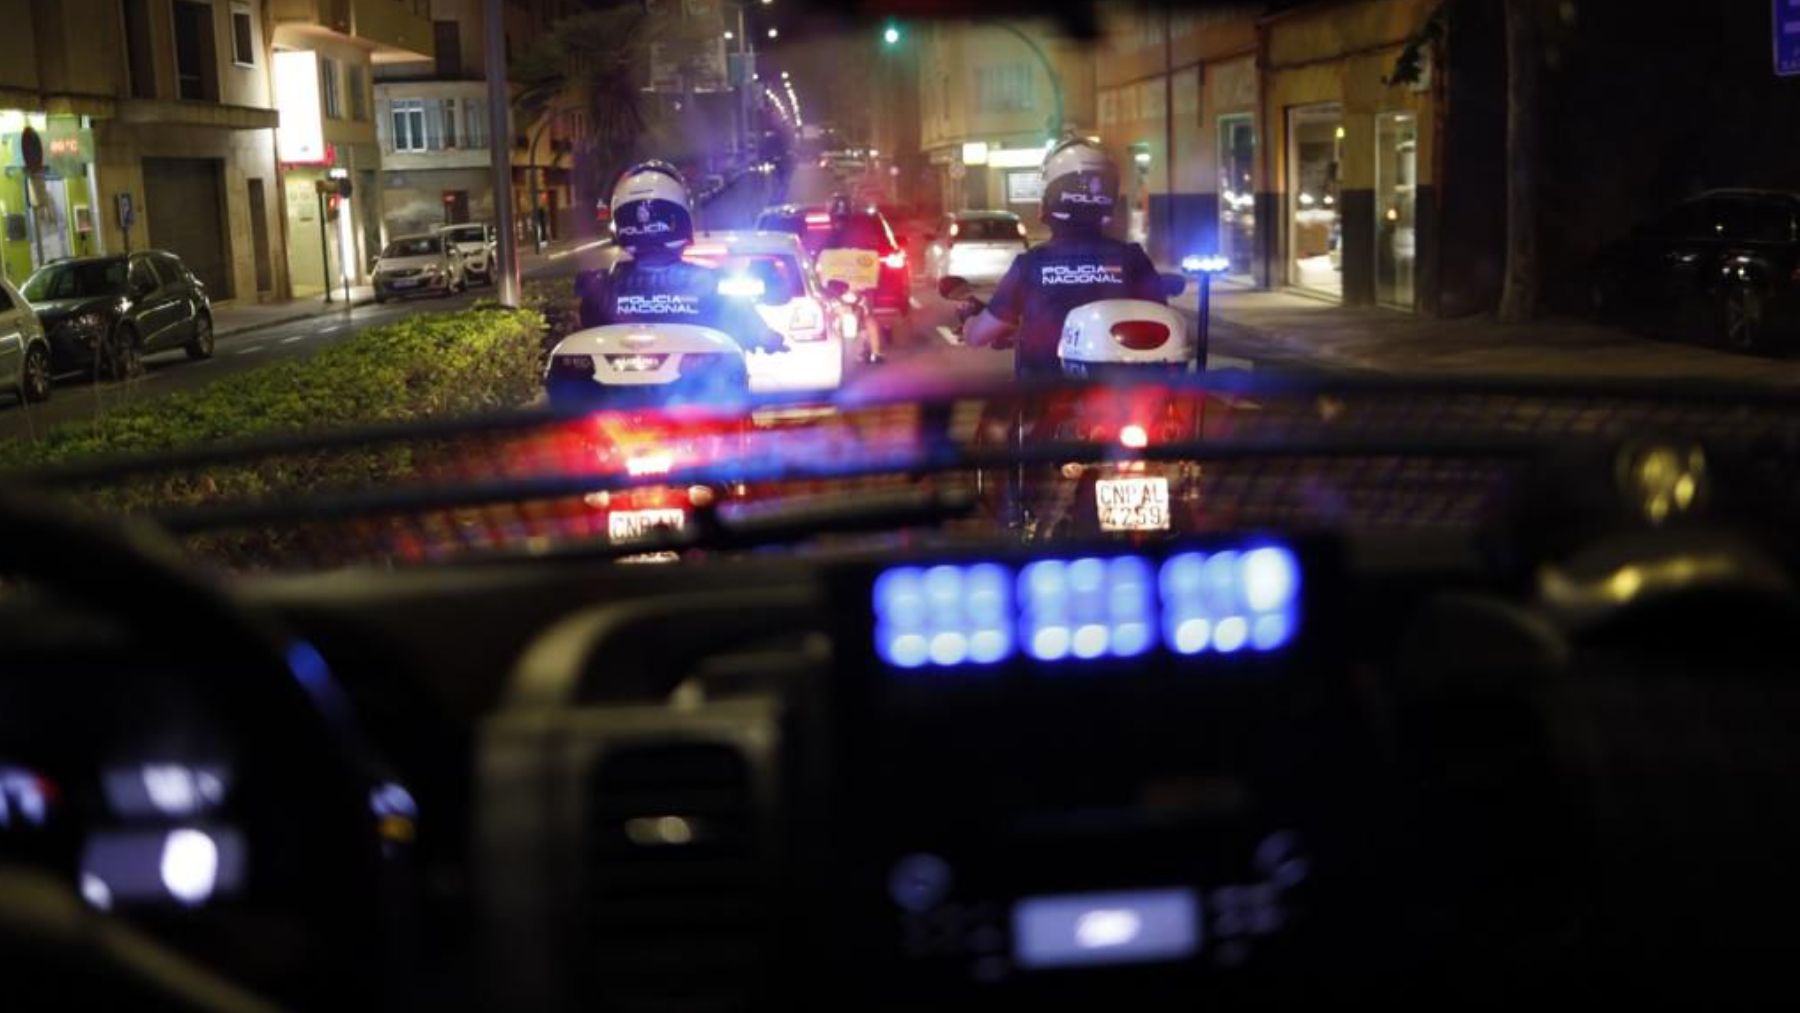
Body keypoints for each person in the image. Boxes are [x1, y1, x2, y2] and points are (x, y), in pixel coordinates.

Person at [960, 138, 1167, 377]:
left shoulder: (1031, 265)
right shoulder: (1133, 260)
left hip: (1046, 402)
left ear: (1051, 198)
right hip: (1121, 399)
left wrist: (969, 326)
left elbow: (979, 336)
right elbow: (1159, 322)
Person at [577, 160, 785, 355]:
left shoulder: (600, 287)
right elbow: (755, 332)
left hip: (619, 389)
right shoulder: (714, 283)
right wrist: (770, 340)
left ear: (621, 223)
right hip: (703, 390)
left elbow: (587, 339)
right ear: (681, 217)